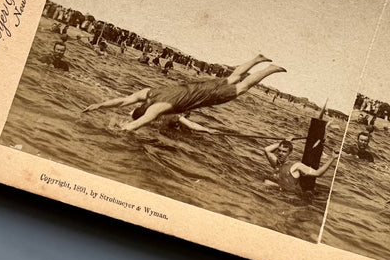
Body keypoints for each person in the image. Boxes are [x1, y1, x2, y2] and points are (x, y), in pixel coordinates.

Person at [83, 54, 286, 131]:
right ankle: (256, 59)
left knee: (242, 87)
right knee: (232, 78)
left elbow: (135, 125)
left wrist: (119, 130)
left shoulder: (155, 111)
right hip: (197, 86)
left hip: (203, 96)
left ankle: (269, 70)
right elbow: (122, 101)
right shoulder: (147, 93)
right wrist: (99, 105)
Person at [264, 138, 338, 193]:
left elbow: (318, 173)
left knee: (267, 182)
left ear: (289, 153)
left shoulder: (296, 166)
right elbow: (267, 149)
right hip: (279, 192)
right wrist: (286, 141)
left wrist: (332, 158)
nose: (280, 153)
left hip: (290, 195)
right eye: (279, 150)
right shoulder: (277, 163)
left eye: (284, 152)